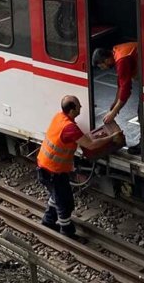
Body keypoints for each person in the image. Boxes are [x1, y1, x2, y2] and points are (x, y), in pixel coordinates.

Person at [37, 95, 114, 238]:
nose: (81, 108)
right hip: (54, 173)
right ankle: (67, 231)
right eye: (78, 106)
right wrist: (111, 137)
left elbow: (81, 139)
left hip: (46, 168)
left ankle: (48, 221)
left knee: (57, 196)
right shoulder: (69, 128)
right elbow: (90, 144)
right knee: (65, 203)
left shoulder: (59, 117)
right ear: (72, 110)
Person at [91, 43, 142, 155]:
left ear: (107, 59)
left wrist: (113, 113)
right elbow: (121, 82)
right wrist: (115, 103)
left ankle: (143, 145)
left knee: (142, 112)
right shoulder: (116, 52)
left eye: (101, 66)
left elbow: (126, 89)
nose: (102, 69)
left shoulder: (122, 60)